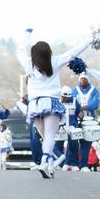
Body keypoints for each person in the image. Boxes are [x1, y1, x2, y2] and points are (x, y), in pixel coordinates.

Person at [18, 29, 91, 178]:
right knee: (50, 136)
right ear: (48, 52)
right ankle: (45, 160)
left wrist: (26, 35)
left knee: (46, 137)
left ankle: (49, 165)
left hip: (34, 105)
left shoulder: (28, 64)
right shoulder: (54, 61)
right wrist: (91, 39)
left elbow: (19, 50)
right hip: (50, 102)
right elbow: (73, 52)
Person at [69, 75, 100, 171]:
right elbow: (71, 102)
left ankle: (84, 165)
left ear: (88, 80)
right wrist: (78, 111)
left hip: (89, 120)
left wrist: (84, 107)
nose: (83, 80)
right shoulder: (75, 90)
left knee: (86, 143)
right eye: (81, 78)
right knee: (74, 142)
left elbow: (96, 103)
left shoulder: (94, 90)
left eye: (85, 79)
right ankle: (74, 164)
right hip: (76, 120)